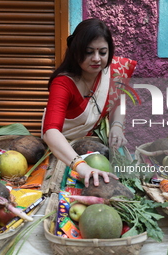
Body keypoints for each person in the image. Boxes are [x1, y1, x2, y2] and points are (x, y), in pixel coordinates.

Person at [42, 18, 136, 187]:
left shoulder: (113, 72)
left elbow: (118, 100)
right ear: (76, 51)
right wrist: (82, 167)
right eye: (88, 51)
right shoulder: (63, 83)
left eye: (102, 52)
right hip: (62, 151)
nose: (96, 59)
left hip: (92, 146)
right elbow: (51, 132)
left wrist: (117, 126)